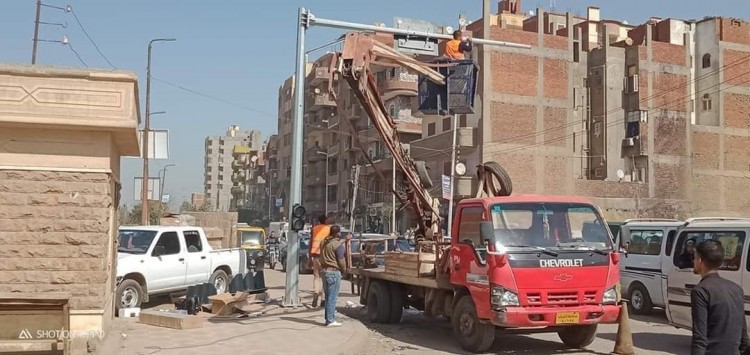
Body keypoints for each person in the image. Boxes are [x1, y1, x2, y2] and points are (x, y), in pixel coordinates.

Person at [690, 239, 749, 354]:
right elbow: (743, 335)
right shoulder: (736, 288)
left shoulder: (701, 291)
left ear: (700, 260)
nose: (693, 261)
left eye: (694, 258)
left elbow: (700, 337)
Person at [319, 225, 347, 327]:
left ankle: (328, 319)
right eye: (340, 233)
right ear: (337, 233)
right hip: (333, 272)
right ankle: (330, 320)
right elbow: (341, 260)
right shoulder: (337, 245)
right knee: (332, 297)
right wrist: (345, 270)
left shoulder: (324, 242)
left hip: (324, 271)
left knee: (328, 297)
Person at [309, 215, 331, 308]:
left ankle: (316, 292)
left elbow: (310, 243)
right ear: (325, 220)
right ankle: (321, 298)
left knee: (316, 277)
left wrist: (309, 257)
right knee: (324, 278)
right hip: (324, 257)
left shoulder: (314, 229)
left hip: (315, 256)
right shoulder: (328, 229)